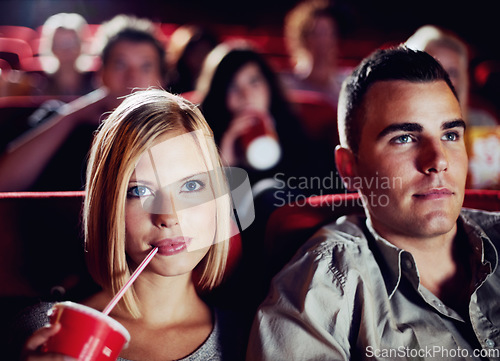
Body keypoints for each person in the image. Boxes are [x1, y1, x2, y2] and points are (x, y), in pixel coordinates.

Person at [247, 46, 500, 360]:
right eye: (404, 138)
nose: (438, 161)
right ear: (349, 168)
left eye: (450, 135)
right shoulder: (326, 285)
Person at [15, 89, 247, 361]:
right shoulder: (42, 332)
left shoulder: (248, 338)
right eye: (140, 191)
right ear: (108, 206)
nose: (168, 216)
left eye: (191, 185)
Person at [0, 14, 167, 191]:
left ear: (162, 79)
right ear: (100, 74)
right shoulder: (60, 116)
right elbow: (5, 182)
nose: (132, 77)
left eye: (145, 67)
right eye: (120, 65)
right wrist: (72, 116)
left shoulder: (176, 128)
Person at [405, 24, 498, 126]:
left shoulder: (482, 124)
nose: (443, 79)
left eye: (452, 72)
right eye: (433, 69)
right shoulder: (391, 121)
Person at [281, 0, 350, 107]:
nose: (323, 40)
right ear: (303, 38)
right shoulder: (286, 85)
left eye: (329, 33)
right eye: (316, 33)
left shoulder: (347, 83)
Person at [36, 12, 96, 96]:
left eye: (71, 44)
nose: (66, 50)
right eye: (60, 44)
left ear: (81, 45)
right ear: (51, 47)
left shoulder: (96, 81)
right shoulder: (40, 83)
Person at [166, 24, 218, 94]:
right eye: (196, 51)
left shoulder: (218, 83)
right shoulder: (170, 85)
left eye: (205, 51)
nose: (201, 57)